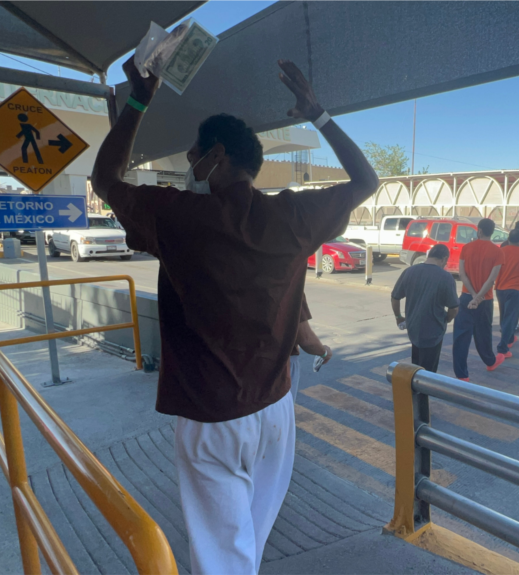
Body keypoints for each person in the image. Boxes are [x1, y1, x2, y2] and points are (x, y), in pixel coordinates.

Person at [90, 57, 378, 575]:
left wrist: (138, 100)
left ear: (215, 157)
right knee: (247, 542)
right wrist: (319, 115)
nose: (188, 164)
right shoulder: (292, 216)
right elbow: (365, 180)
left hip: (213, 417)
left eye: (192, 155)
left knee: (224, 556)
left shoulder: (177, 216)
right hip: (276, 410)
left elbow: (105, 177)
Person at [390, 244, 459, 373]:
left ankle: (415, 391)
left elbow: (395, 297)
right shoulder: (446, 277)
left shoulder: (409, 271)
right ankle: (422, 392)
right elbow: (454, 309)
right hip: (433, 333)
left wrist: (398, 317)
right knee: (428, 374)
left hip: (414, 330)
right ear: (444, 258)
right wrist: (447, 319)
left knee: (415, 369)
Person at [453, 218, 505, 381]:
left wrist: (473, 295)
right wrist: (479, 297)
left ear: (480, 230)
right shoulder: (498, 252)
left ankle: (462, 375)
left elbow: (462, 274)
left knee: (461, 337)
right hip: (485, 300)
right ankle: (490, 361)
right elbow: (491, 280)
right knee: (483, 334)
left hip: (466, 298)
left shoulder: (466, 248)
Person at [495, 229, 519, 357]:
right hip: (515, 289)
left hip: (500, 289)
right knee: (511, 318)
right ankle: (502, 348)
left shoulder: (500, 252)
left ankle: (510, 338)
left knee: (504, 315)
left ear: (508, 239)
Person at [290, 295, 331, 401]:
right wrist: (324, 352)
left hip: (243, 360)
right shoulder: (289, 283)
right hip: (279, 364)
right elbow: (305, 338)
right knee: (277, 413)